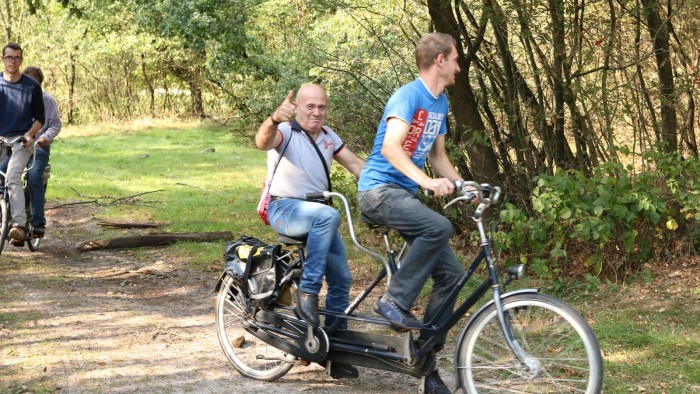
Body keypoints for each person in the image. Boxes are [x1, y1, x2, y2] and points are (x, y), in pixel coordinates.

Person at [357, 33, 474, 394]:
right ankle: (395, 300)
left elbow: (438, 156)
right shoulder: (408, 95)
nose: (458, 67)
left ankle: (424, 364)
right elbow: (392, 148)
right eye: (454, 59)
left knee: (452, 275)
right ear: (439, 60)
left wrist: (464, 184)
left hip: (402, 195)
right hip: (378, 191)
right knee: (438, 226)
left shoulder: (439, 104)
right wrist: (425, 182)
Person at [255, 83, 365, 378]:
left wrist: (387, 186)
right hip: (285, 209)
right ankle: (309, 294)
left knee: (342, 278)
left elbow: (355, 164)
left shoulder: (329, 137)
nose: (317, 112)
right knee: (328, 214)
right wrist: (273, 118)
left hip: (318, 217)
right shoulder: (286, 131)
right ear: (299, 107)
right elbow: (263, 142)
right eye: (310, 106)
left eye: (322, 107)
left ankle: (331, 349)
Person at [0, 43, 45, 244]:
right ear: (3, 59)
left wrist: (29, 135)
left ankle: (18, 225)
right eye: (9, 57)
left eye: (17, 58)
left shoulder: (31, 86)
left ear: (21, 60)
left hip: (20, 140)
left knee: (12, 176)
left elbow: (40, 118)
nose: (13, 61)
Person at [22, 66, 61, 238]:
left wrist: (45, 138)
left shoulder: (47, 100)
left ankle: (38, 223)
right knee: (4, 173)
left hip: (39, 147)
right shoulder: (17, 100)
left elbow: (55, 124)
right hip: (18, 147)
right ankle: (8, 214)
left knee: (34, 177)